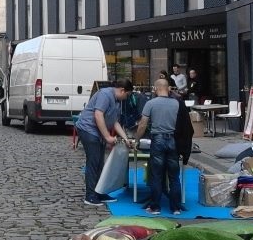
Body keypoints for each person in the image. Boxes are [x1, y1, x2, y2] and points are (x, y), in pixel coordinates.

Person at [75, 78, 134, 206]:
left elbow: (114, 121)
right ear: (122, 90)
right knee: (93, 162)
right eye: (127, 95)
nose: (127, 98)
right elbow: (98, 115)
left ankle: (99, 191)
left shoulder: (117, 101)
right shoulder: (105, 95)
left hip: (97, 132)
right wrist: (107, 136)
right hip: (88, 129)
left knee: (100, 163)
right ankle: (90, 196)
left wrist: (125, 138)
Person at [133, 79, 184, 216]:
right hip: (173, 140)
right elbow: (183, 123)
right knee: (174, 176)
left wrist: (136, 140)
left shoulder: (150, 103)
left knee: (156, 175)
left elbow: (143, 124)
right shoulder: (177, 103)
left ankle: (155, 207)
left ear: (156, 89)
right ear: (168, 88)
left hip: (158, 140)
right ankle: (176, 208)